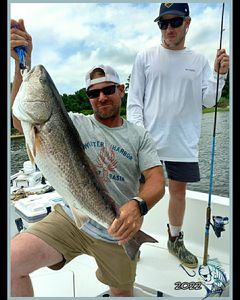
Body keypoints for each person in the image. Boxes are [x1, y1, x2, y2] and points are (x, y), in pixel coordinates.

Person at [10, 19, 165, 297]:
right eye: (94, 93)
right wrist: (22, 64)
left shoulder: (139, 135)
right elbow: (21, 123)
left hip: (115, 231)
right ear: (88, 97)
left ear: (121, 90)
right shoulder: (73, 124)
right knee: (11, 263)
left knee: (122, 294)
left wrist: (138, 205)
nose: (101, 97)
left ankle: (131, 250)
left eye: (108, 89)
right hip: (70, 218)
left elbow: (156, 179)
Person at [126, 3, 229, 269]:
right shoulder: (145, 56)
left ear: (187, 23)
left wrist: (220, 74)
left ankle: (174, 239)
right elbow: (134, 102)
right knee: (139, 193)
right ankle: (131, 239)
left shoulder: (198, 60)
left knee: (179, 193)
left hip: (183, 143)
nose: (169, 28)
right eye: (163, 23)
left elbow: (208, 100)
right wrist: (139, 138)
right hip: (148, 143)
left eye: (175, 22)